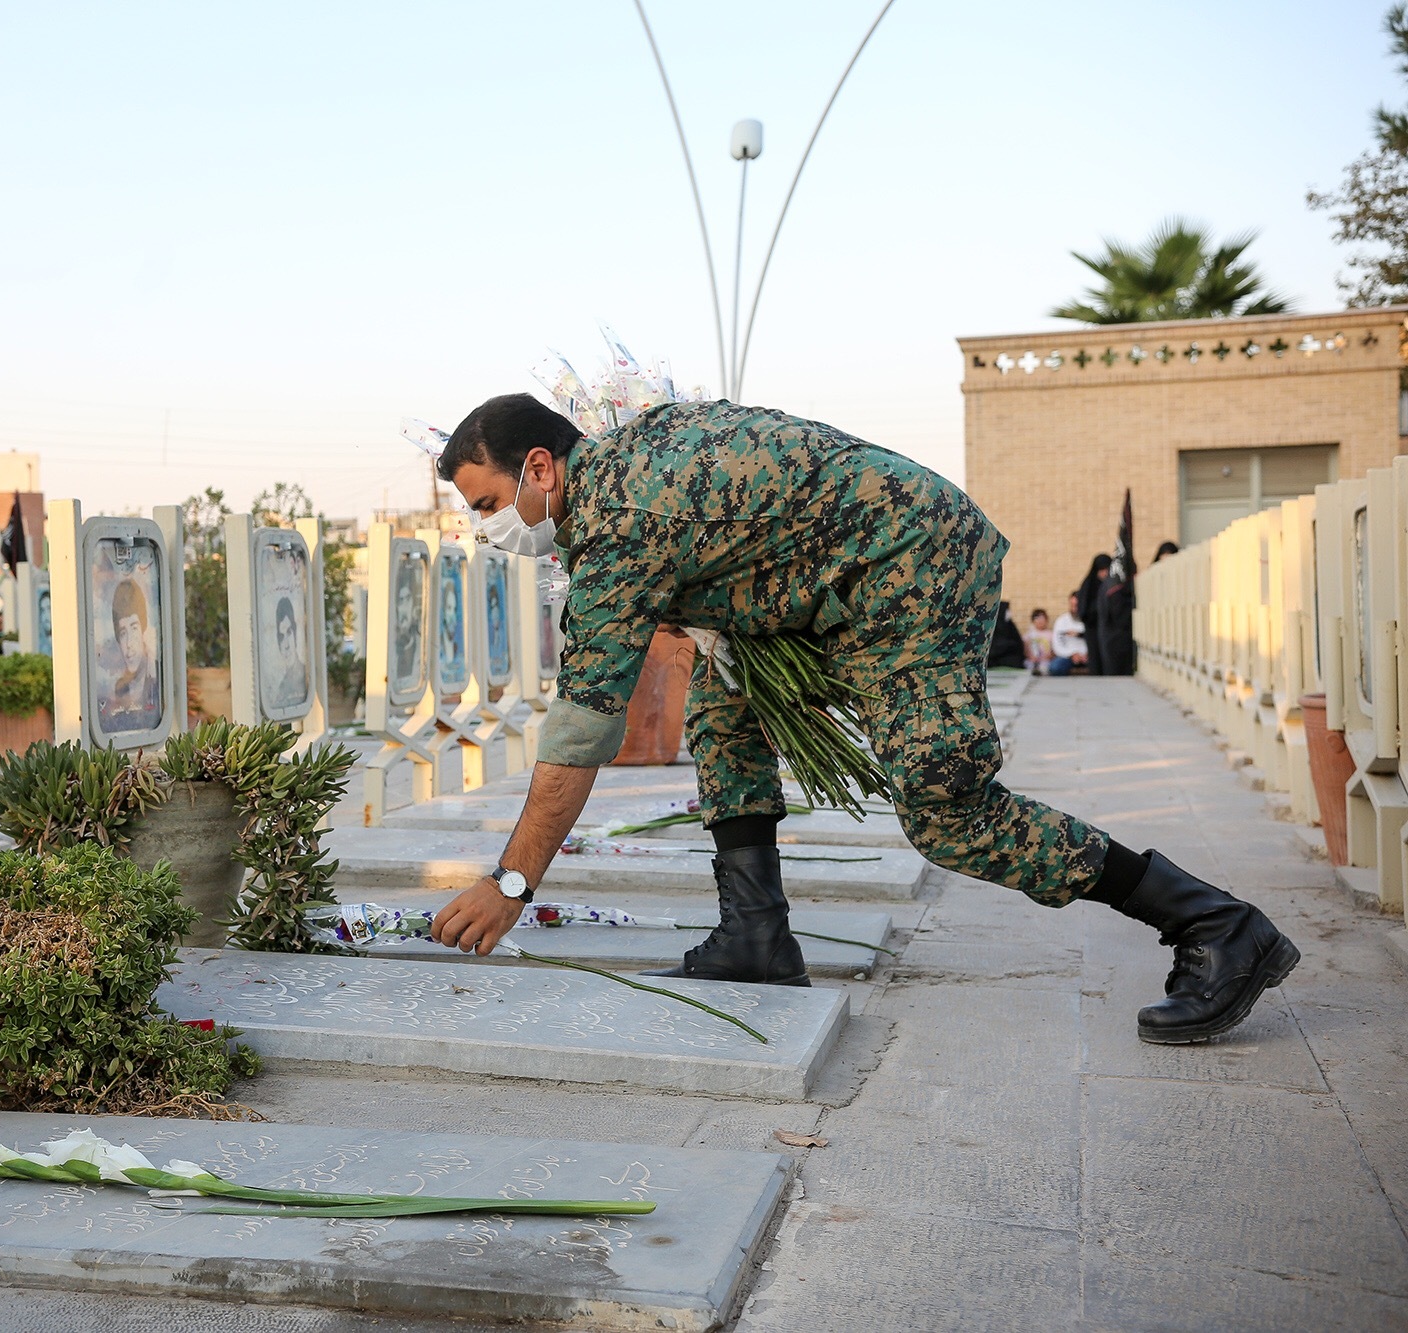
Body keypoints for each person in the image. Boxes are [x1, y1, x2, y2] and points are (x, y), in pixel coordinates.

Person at [428, 395, 1297, 1045]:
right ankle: (756, 934)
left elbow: (582, 732)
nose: (486, 527)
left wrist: (512, 883)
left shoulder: (619, 523)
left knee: (949, 812)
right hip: (855, 562)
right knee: (724, 708)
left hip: (911, 565)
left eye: (487, 504)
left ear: (540, 468)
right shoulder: (633, 453)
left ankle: (1213, 923)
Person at [97, 577, 161, 731]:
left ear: (143, 629)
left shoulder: (159, 677)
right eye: (123, 633)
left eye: (134, 628)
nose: (129, 644)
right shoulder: (120, 688)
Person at [266, 595, 308, 708]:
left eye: (289, 633)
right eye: (281, 637)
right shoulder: (281, 688)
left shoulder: (304, 679)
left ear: (295, 634)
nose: (286, 645)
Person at [391, 565, 423, 684]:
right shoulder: (389, 645)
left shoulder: (422, 645)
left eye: (408, 599)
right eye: (400, 601)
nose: (404, 608)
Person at [1049, 593, 1087, 676]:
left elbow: (1096, 641)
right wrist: (1072, 655)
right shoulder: (1061, 621)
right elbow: (1057, 644)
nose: (1074, 609)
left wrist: (1087, 654)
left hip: (1088, 656)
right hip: (1067, 656)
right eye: (1072, 605)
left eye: (1076, 606)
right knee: (1055, 667)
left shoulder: (1090, 620)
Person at [986, 600, 1025, 670]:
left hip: (1009, 657)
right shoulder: (992, 626)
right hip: (994, 658)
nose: (1008, 613)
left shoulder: (1009, 625)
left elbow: (1018, 643)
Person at [1023, 607, 1054, 675]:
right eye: (1037, 618)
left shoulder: (1051, 635)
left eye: (1042, 618)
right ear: (1033, 621)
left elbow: (1054, 651)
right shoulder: (1028, 635)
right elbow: (1025, 650)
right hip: (1031, 661)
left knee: (1045, 668)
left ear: (1046, 620)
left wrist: (1050, 656)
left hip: (1046, 661)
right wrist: (1029, 656)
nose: (1040, 621)